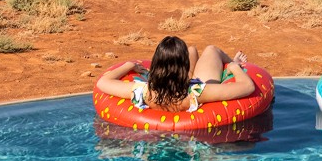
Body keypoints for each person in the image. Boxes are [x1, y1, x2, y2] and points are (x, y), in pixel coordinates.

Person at [95, 35, 255, 112]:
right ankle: (231, 59)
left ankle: (188, 55)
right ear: (183, 67)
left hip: (170, 90)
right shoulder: (199, 92)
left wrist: (129, 65)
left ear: (156, 65)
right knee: (211, 49)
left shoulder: (144, 91)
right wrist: (234, 67)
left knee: (191, 50)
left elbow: (102, 83)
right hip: (188, 91)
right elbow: (247, 86)